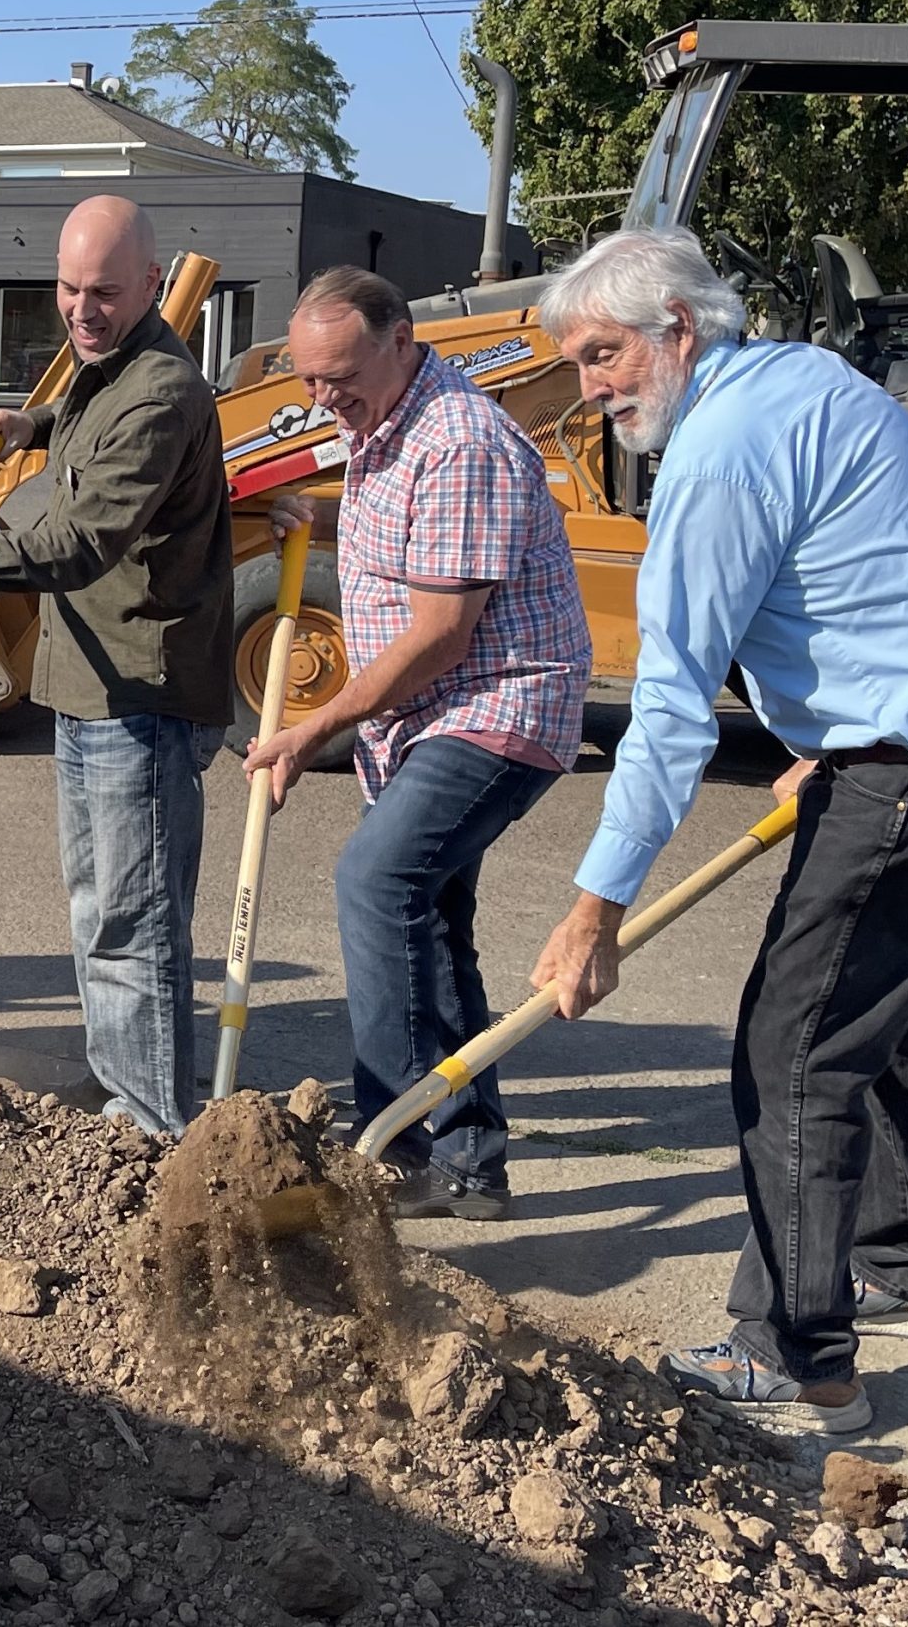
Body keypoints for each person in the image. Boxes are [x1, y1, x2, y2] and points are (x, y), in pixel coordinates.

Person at [529, 228, 908, 1435]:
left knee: (797, 1046)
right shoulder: (810, 378)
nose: (590, 385)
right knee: (880, 1007)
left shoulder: (718, 454)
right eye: (576, 361)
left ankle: (797, 1357)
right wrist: (833, 720)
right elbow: (906, 557)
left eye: (604, 353)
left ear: (677, 329)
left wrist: (594, 905)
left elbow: (666, 708)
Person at [0, 195, 234, 1135]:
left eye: (104, 291)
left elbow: (76, 544)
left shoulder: (162, 391)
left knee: (134, 919)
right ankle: (121, 1084)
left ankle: (153, 1122)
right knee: (97, 910)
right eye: (68, 288)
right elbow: (81, 445)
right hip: (86, 685)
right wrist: (33, 431)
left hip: (141, 697)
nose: (81, 307)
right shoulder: (100, 372)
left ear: (152, 285)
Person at [246, 269, 592, 1221]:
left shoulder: (459, 441)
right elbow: (400, 550)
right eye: (308, 380)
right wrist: (317, 515)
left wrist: (312, 727)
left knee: (377, 879)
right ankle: (470, 1162)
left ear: (402, 337)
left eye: (340, 375)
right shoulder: (381, 423)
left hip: (498, 704)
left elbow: (442, 632)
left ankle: (389, 1147)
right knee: (430, 921)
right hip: (430, 713)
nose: (324, 397)